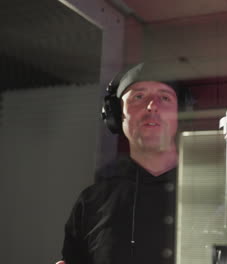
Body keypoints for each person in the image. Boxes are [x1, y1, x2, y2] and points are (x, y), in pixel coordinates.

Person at [57, 63, 190, 264]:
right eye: (138, 96)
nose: (152, 105)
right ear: (116, 115)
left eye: (164, 97)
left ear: (181, 114)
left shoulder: (220, 195)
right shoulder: (92, 202)